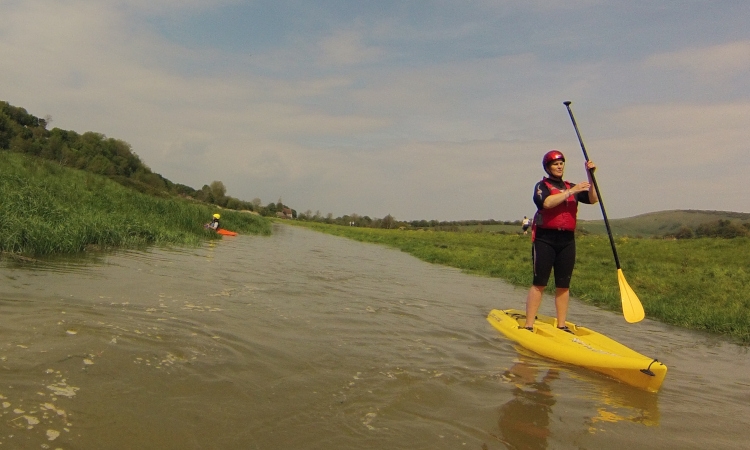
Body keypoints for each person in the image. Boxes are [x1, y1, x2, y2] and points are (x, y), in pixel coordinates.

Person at [524, 150, 598, 332]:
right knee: (540, 282)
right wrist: (570, 191)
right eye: (555, 164)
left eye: (561, 163)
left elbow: (593, 199)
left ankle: (562, 324)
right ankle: (528, 325)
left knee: (563, 284)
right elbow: (546, 203)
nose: (559, 166)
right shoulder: (542, 186)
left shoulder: (570, 186)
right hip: (545, 239)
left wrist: (591, 176)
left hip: (566, 241)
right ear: (548, 167)